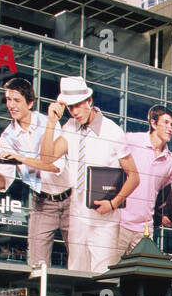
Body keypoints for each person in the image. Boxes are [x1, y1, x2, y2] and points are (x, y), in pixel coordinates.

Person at [40, 77, 139, 273]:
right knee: (76, 274)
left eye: (78, 105)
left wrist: (113, 203)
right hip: (77, 217)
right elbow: (46, 159)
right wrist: (51, 122)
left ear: (89, 101)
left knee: (102, 277)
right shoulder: (69, 127)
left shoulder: (113, 132)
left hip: (105, 222)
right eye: (70, 107)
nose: (75, 112)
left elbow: (134, 176)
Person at [0, 77, 73, 268]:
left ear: (30, 102)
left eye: (16, 100)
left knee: (77, 258)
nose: (11, 105)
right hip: (41, 202)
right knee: (36, 263)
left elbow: (54, 165)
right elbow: (3, 185)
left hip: (70, 199)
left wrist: (21, 159)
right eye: (8, 100)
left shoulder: (49, 123)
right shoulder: (7, 137)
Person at [116, 105, 172, 255]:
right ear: (153, 123)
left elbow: (164, 193)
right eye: (165, 122)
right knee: (107, 274)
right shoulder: (131, 140)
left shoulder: (171, 162)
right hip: (119, 223)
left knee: (140, 278)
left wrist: (165, 214)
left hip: (145, 230)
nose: (170, 128)